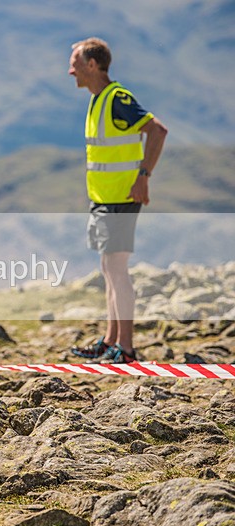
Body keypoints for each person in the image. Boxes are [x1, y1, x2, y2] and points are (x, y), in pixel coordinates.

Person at [67, 38, 168, 363]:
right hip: (104, 200)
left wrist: (143, 176)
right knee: (109, 268)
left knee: (117, 270)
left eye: (75, 63)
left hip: (122, 197)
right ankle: (111, 341)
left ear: (92, 64)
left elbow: (157, 131)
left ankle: (125, 347)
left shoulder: (116, 98)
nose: (71, 71)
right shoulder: (98, 100)